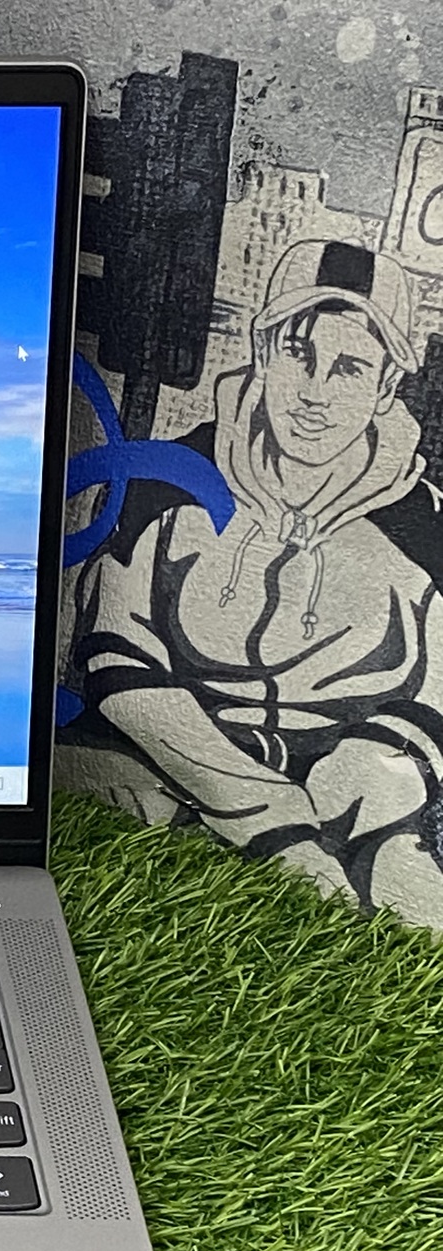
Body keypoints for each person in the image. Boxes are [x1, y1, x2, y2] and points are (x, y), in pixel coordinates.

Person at [71, 239, 443, 911]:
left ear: (386, 387)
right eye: (299, 353)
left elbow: (432, 698)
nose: (315, 393)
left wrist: (371, 769)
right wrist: (272, 818)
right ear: (262, 351)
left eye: (350, 368)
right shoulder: (167, 479)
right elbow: (118, 670)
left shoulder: (426, 528)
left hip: (357, 797)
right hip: (160, 772)